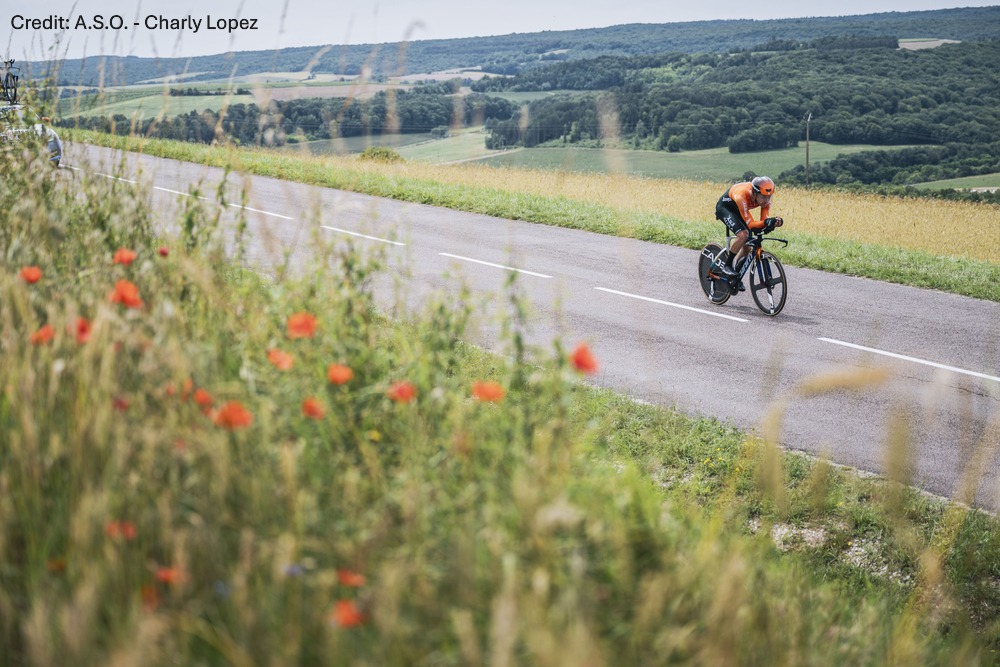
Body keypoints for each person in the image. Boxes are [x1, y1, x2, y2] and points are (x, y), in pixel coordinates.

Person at [710, 176, 783, 290]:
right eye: (763, 197)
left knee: (748, 246)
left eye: (769, 197)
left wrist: (771, 223)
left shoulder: (765, 201)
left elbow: (762, 222)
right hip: (726, 208)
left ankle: (735, 277)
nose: (767, 201)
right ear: (754, 193)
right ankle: (727, 265)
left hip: (740, 210)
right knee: (743, 235)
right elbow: (751, 225)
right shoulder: (742, 195)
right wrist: (766, 222)